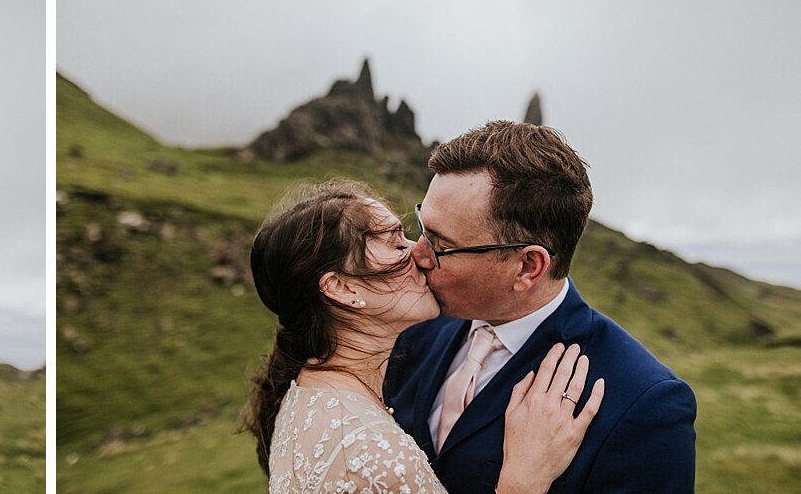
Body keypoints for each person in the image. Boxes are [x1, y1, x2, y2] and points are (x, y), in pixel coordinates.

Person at [385, 121, 697, 494]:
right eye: (422, 227)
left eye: (440, 244)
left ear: (528, 267)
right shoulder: (412, 327)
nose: (416, 254)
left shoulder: (644, 403)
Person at [244, 180, 606, 494]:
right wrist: (523, 482)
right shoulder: (375, 456)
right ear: (341, 287)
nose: (420, 252)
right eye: (395, 243)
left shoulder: (305, 393)